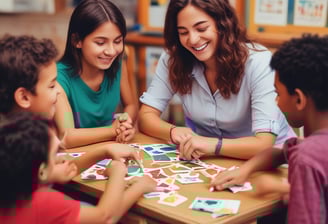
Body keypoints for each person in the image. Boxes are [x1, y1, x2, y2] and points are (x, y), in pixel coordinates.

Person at [138, 0, 295, 160]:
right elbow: (145, 116)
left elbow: (264, 144)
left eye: (201, 28)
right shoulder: (173, 59)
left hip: (272, 161)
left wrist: (210, 145)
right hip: (212, 160)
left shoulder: (258, 62)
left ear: (223, 24)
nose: (192, 39)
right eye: (183, 32)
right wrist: (172, 131)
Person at [211, 34, 328, 224]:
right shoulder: (312, 148)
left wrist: (289, 191)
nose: (276, 101)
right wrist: (246, 170)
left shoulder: (307, 156)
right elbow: (283, 151)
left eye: (277, 93)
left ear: (299, 99)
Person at [0, 33, 143, 183]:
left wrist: (105, 151)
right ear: (23, 97)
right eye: (52, 85)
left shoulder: (34, 131)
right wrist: (121, 178)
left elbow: (60, 170)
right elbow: (105, 208)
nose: (58, 91)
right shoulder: (15, 148)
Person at [0, 112, 157, 224]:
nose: (62, 158)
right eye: (57, 153)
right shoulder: (44, 202)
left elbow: (66, 169)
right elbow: (105, 217)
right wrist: (125, 177)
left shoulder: (15, 183)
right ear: (41, 171)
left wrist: (105, 151)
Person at [55, 0, 138, 148]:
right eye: (100, 43)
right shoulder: (58, 79)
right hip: (73, 157)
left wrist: (126, 125)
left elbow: (131, 105)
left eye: (118, 41)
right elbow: (66, 136)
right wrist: (113, 130)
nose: (111, 51)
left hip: (109, 149)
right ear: (77, 40)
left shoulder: (118, 64)